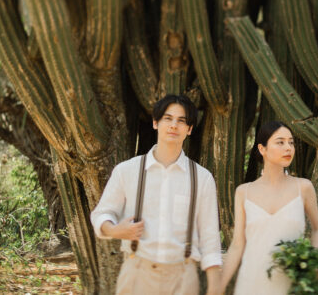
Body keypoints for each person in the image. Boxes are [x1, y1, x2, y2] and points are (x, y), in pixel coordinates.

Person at [90, 94, 222, 295]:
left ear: (190, 129)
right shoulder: (127, 170)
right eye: (167, 119)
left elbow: (210, 237)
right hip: (136, 273)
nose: (173, 125)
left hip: (184, 277)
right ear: (155, 123)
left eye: (181, 121)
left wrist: (214, 287)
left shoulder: (202, 178)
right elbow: (101, 214)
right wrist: (115, 231)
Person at [219, 121, 318, 294]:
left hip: (290, 285)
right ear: (262, 149)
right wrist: (219, 286)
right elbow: (237, 245)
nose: (288, 148)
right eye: (280, 142)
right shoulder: (243, 192)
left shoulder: (303, 187)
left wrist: (311, 263)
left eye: (291, 142)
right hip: (250, 284)